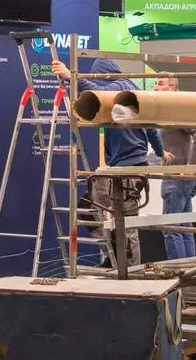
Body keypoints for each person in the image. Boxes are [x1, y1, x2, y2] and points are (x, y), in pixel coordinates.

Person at [53, 56, 163, 268]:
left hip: (130, 168)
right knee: (90, 207)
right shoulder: (133, 91)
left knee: (126, 220)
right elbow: (152, 129)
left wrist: (71, 77)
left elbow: (99, 91)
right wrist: (160, 152)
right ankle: (113, 256)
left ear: (105, 75)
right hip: (121, 167)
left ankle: (129, 268)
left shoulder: (119, 87)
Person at [153, 73, 196, 262]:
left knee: (172, 228)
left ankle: (178, 271)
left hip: (176, 177)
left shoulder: (175, 111)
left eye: (161, 83)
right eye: (155, 84)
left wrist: (192, 166)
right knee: (184, 226)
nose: (156, 87)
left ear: (173, 88)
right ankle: (188, 269)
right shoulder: (171, 111)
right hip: (180, 177)